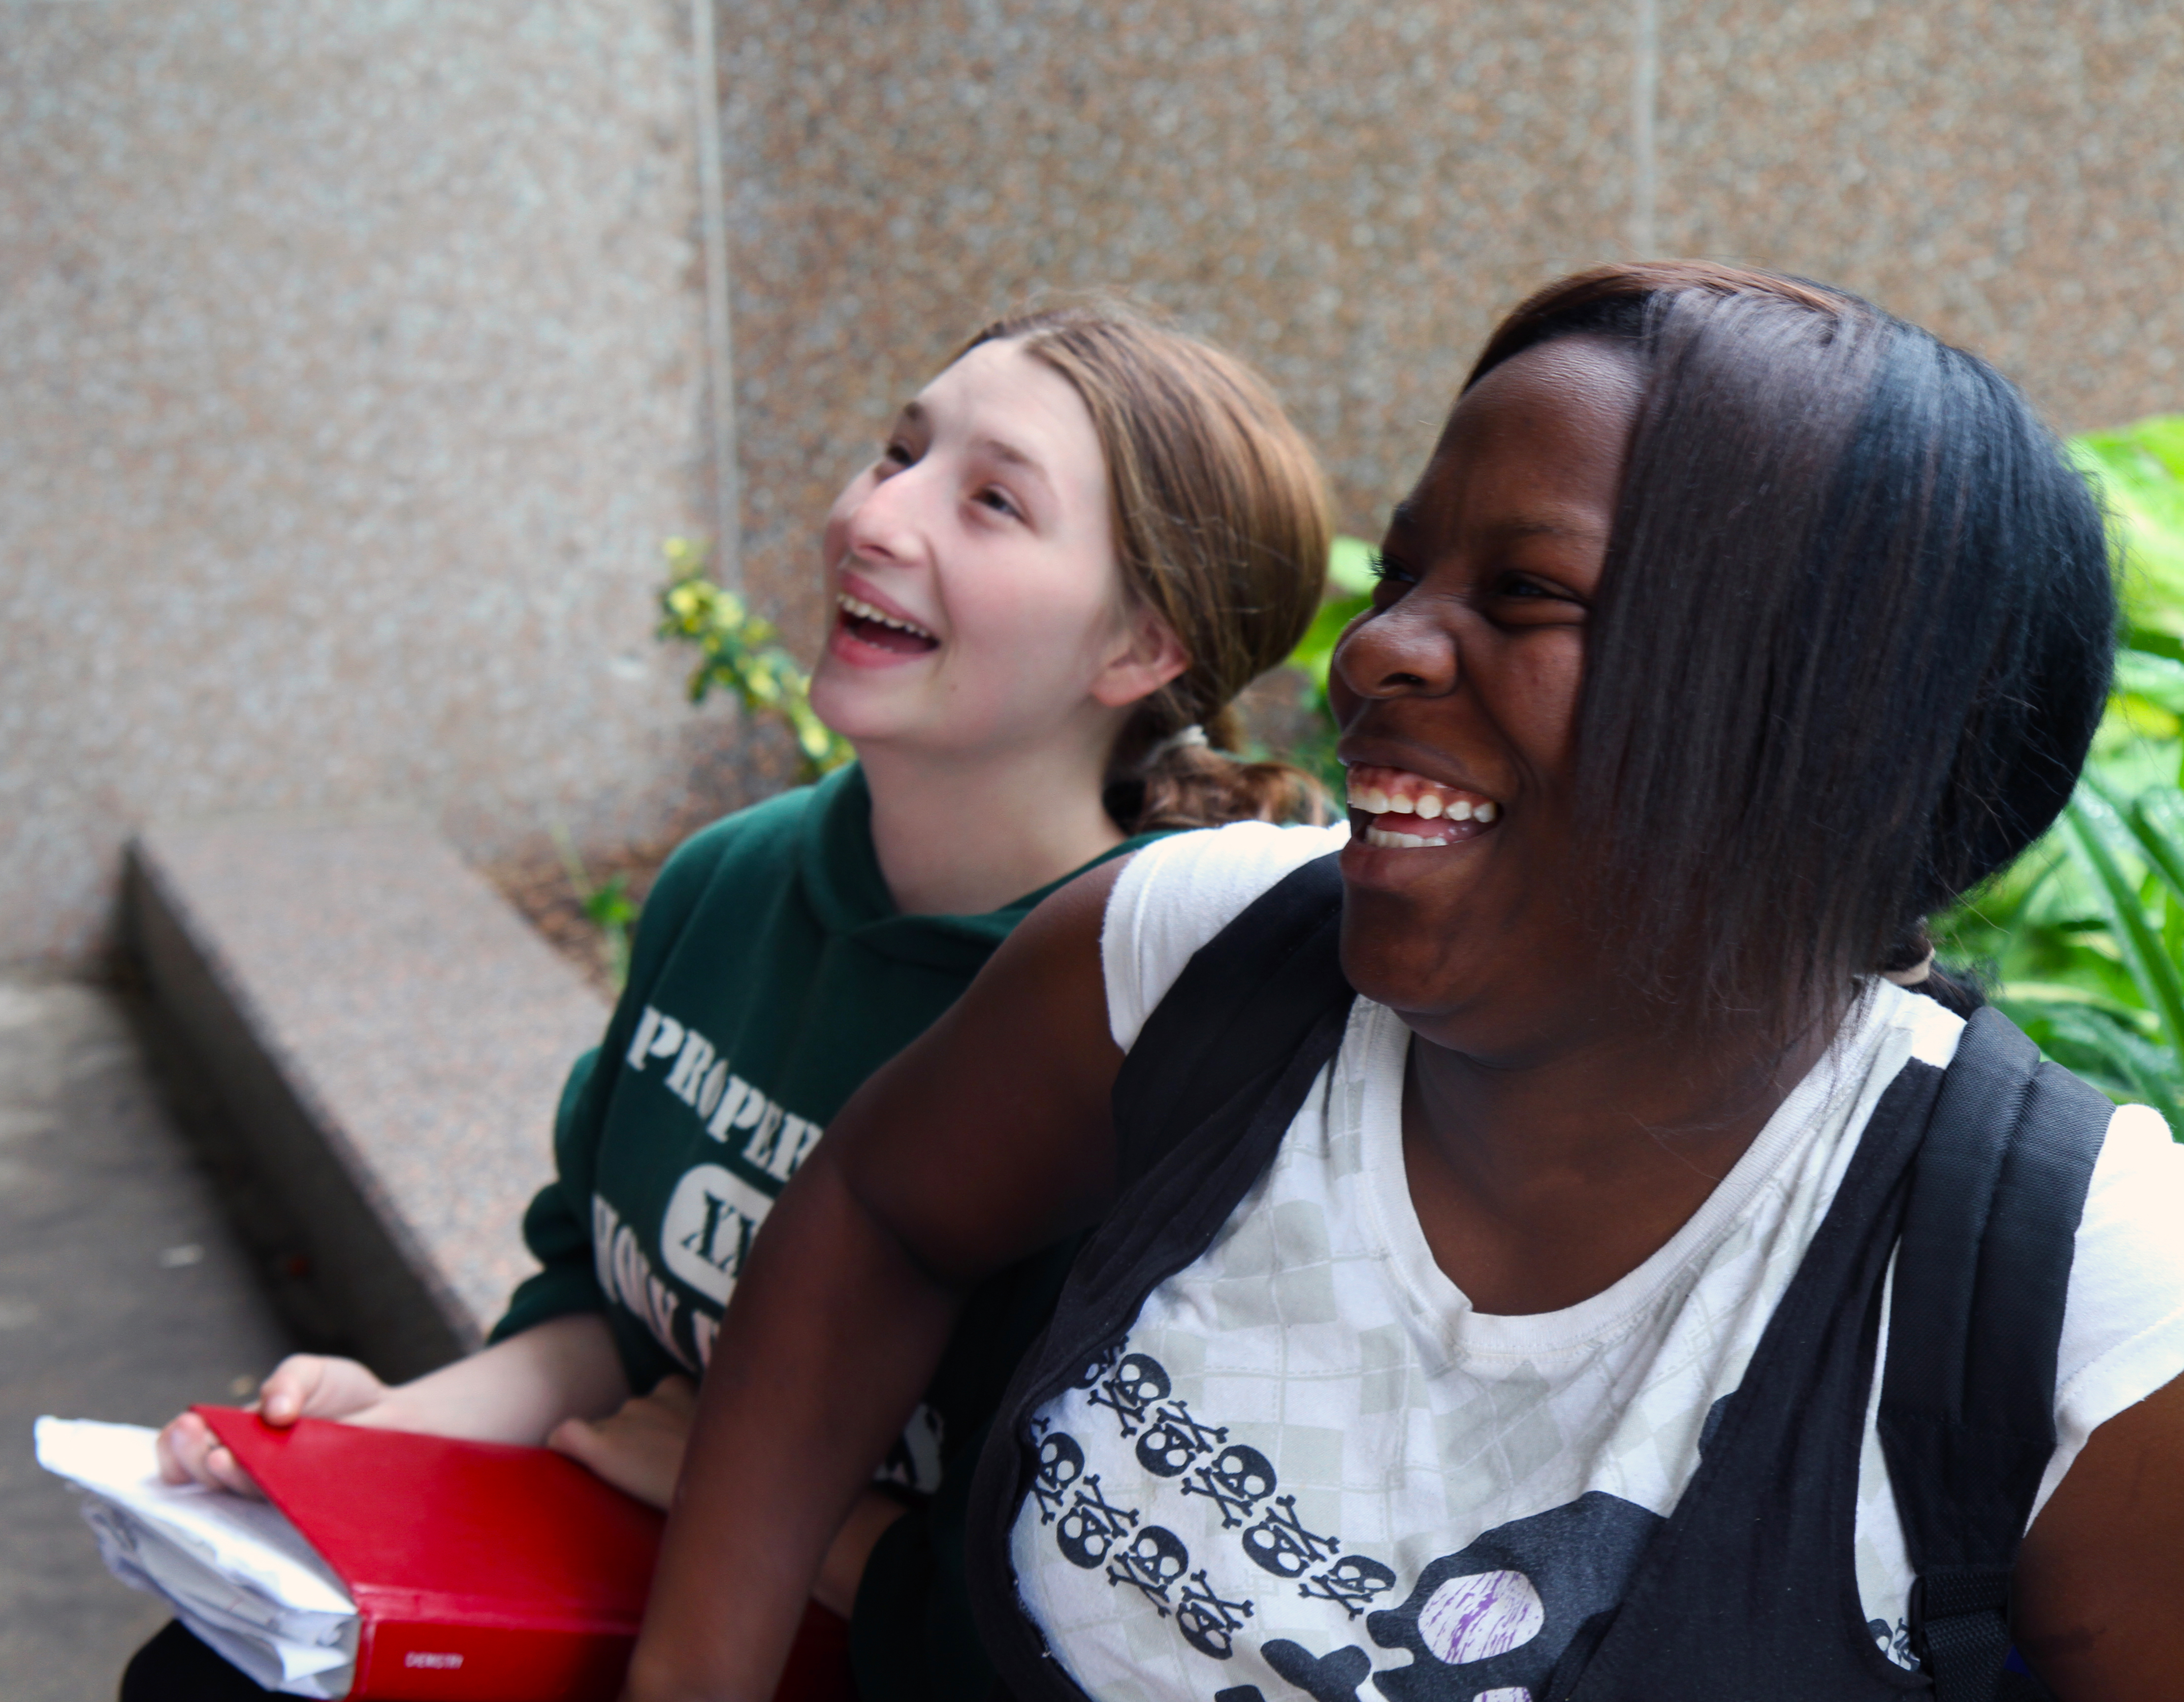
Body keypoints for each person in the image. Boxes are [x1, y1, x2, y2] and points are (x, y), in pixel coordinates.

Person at [622, 262, 2184, 1702]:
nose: (1373, 650)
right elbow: (879, 1216)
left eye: (1525, 595)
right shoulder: (1196, 952)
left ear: (1826, 737)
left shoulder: (2064, 1286)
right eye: (1412, 567)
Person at [120, 301, 1342, 1699]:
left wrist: (748, 1477)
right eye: (897, 450)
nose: (877, 516)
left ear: (1140, 648)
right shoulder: (728, 885)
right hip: (609, 1577)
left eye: (993, 501)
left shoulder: (1149, 1039)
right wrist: (373, 1440)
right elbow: (605, 1316)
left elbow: (1089, 1601)